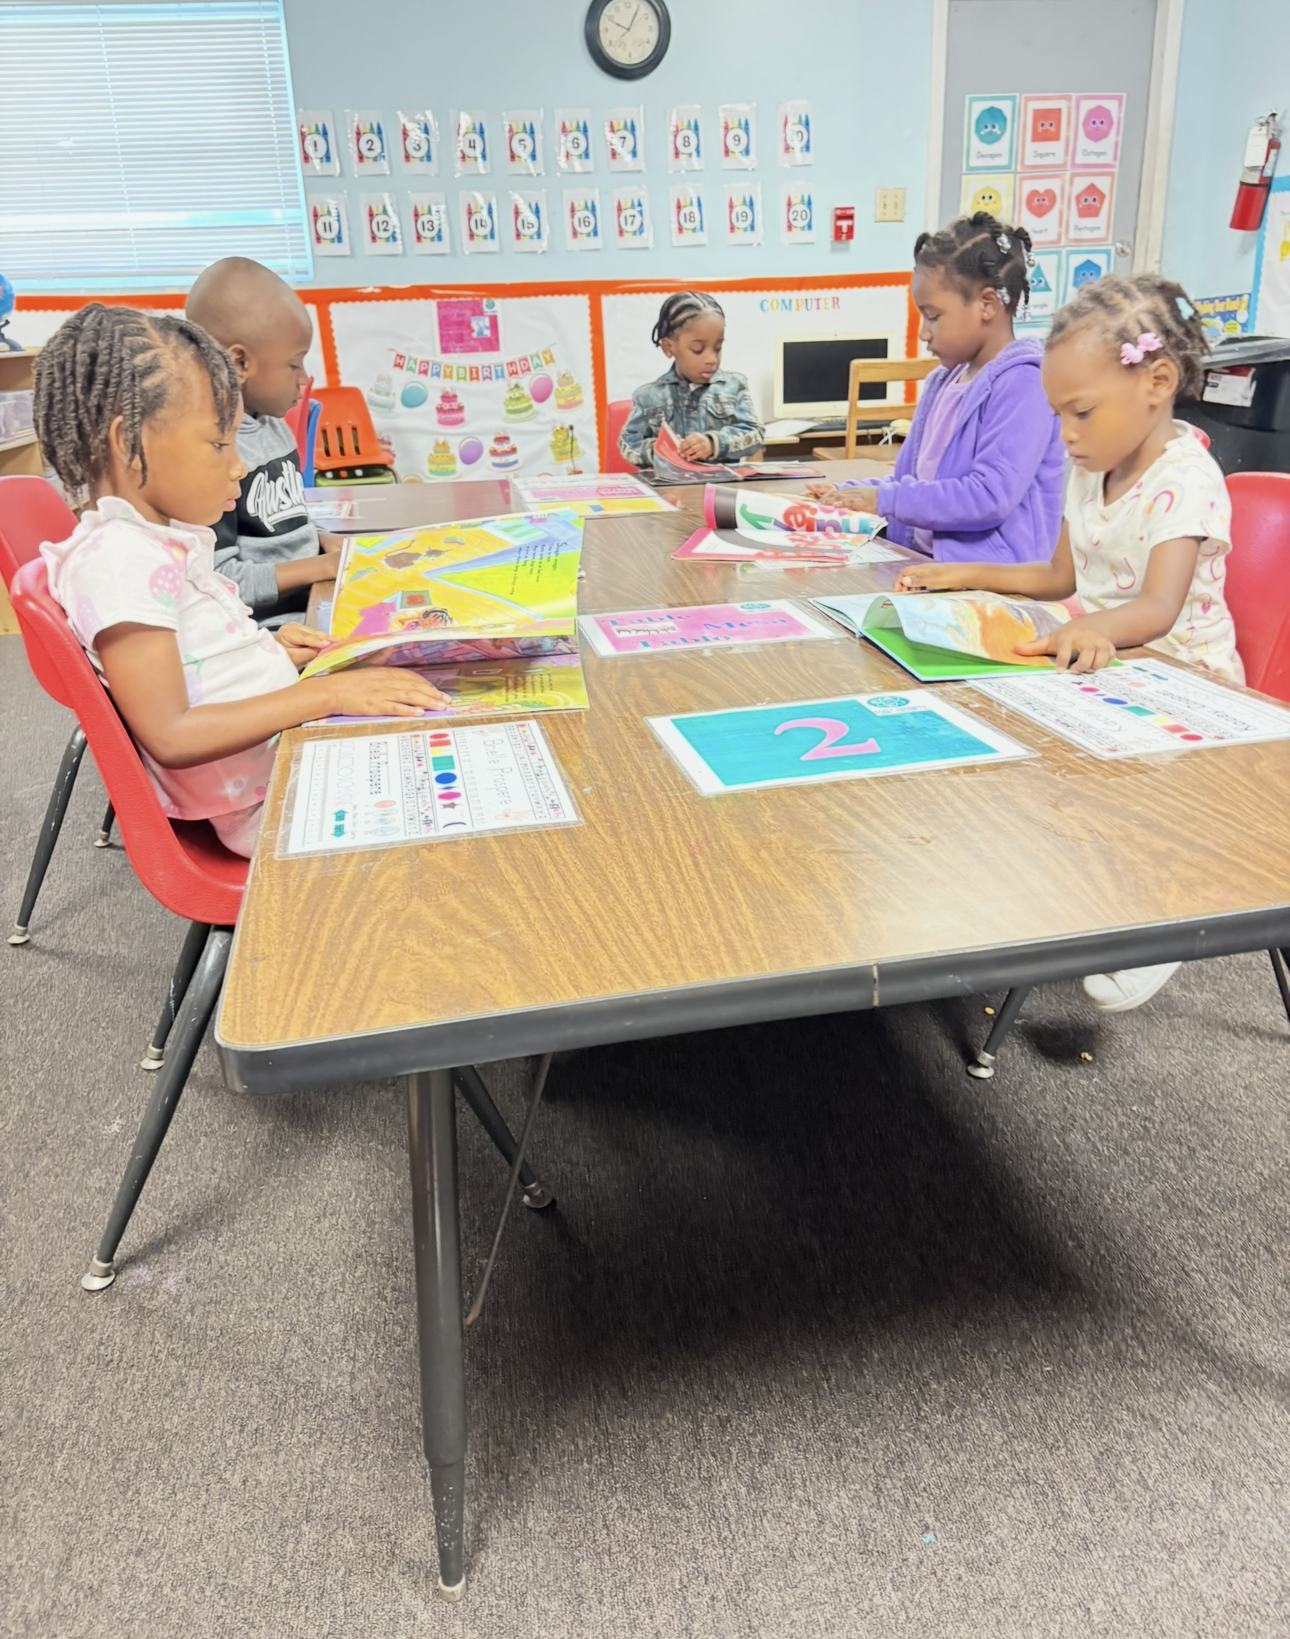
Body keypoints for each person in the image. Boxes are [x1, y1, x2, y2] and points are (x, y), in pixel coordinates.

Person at [895, 273, 1239, 1012]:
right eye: (1058, 415)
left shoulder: (1187, 476)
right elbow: (1058, 573)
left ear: (1158, 381)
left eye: (1079, 412)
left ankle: (1165, 920)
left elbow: (1157, 606)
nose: (1065, 435)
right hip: (1116, 664)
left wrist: (1087, 627)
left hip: (1192, 685)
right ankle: (1059, 886)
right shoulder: (1090, 471)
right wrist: (969, 573)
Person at [33, 305, 447, 858]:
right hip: (267, 801)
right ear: (127, 444)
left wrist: (265, 650)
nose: (238, 467)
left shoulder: (148, 540)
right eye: (218, 444)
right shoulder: (117, 559)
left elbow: (188, 656)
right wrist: (327, 694)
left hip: (276, 761)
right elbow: (172, 733)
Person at [806, 213, 1063, 563]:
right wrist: (848, 493)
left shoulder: (1025, 383)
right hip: (927, 565)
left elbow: (988, 497)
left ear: (987, 305)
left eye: (933, 317)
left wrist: (885, 500)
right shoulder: (943, 381)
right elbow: (908, 480)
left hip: (994, 582)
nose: (924, 333)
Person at [185, 256, 339, 627]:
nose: (304, 378)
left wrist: (322, 540)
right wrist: (319, 566)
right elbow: (221, 580)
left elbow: (283, 526)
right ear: (239, 362)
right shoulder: (212, 453)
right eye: (294, 364)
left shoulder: (275, 427)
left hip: (313, 603)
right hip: (268, 631)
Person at [619, 291, 763, 468]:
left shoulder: (734, 386)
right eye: (697, 349)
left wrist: (714, 443)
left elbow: (755, 434)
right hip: (670, 489)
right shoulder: (648, 396)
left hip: (720, 487)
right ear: (668, 347)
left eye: (717, 348)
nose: (711, 359)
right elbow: (629, 443)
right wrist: (657, 449)